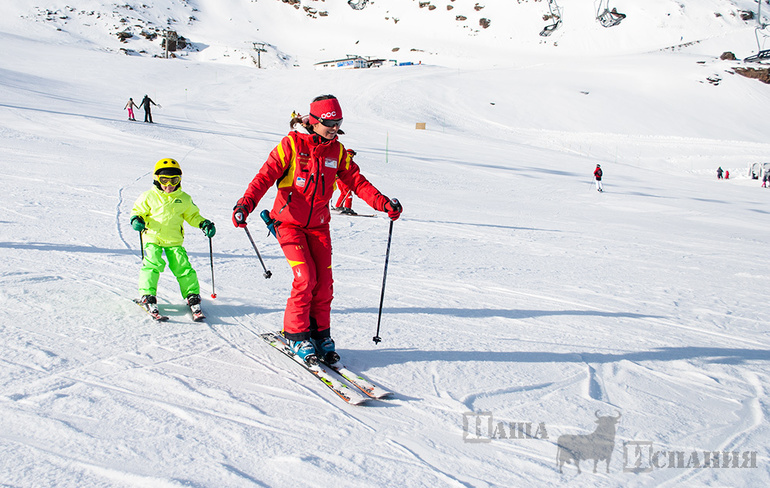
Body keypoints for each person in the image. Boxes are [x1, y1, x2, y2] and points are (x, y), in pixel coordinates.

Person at [232, 95, 403, 365]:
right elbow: (264, 176)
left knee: (324, 285)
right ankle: (296, 335)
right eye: (329, 123)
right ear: (313, 121)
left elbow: (357, 182)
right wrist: (245, 204)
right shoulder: (291, 144)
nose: (334, 128)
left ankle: (320, 334)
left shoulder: (337, 151)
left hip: (319, 227)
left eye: (338, 122)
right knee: (305, 278)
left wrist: (383, 203)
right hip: (288, 223)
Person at [130, 158, 216, 316]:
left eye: (174, 180)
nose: (169, 185)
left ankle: (192, 295)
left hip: (174, 239)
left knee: (182, 266)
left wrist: (204, 223)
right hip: (152, 237)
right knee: (152, 264)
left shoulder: (184, 198)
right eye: (164, 180)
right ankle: (147, 294)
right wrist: (136, 220)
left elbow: (193, 216)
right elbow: (138, 210)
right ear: (157, 179)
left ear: (179, 180)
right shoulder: (149, 196)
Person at [332, 149, 357, 214]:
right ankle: (347, 208)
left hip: (338, 179)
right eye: (352, 154)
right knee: (348, 194)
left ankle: (339, 206)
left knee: (343, 193)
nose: (352, 156)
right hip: (343, 180)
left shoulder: (341, 159)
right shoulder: (348, 161)